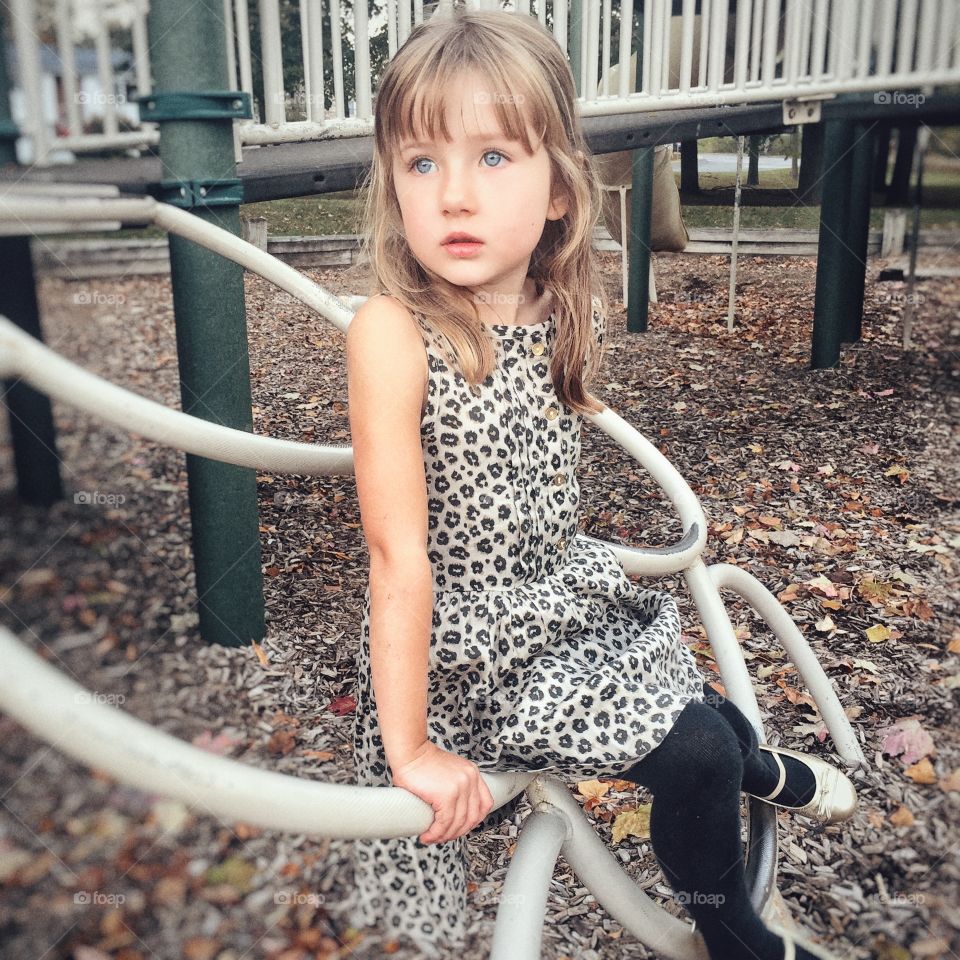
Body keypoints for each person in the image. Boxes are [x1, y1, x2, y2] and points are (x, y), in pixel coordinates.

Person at [340, 9, 857, 960]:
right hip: (478, 647)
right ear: (393, 183)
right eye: (422, 163)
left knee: (704, 708)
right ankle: (731, 928)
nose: (452, 195)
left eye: (493, 157)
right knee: (695, 752)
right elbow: (393, 556)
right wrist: (410, 748)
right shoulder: (392, 331)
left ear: (559, 196)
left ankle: (752, 761)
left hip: (560, 594)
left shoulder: (554, 299)